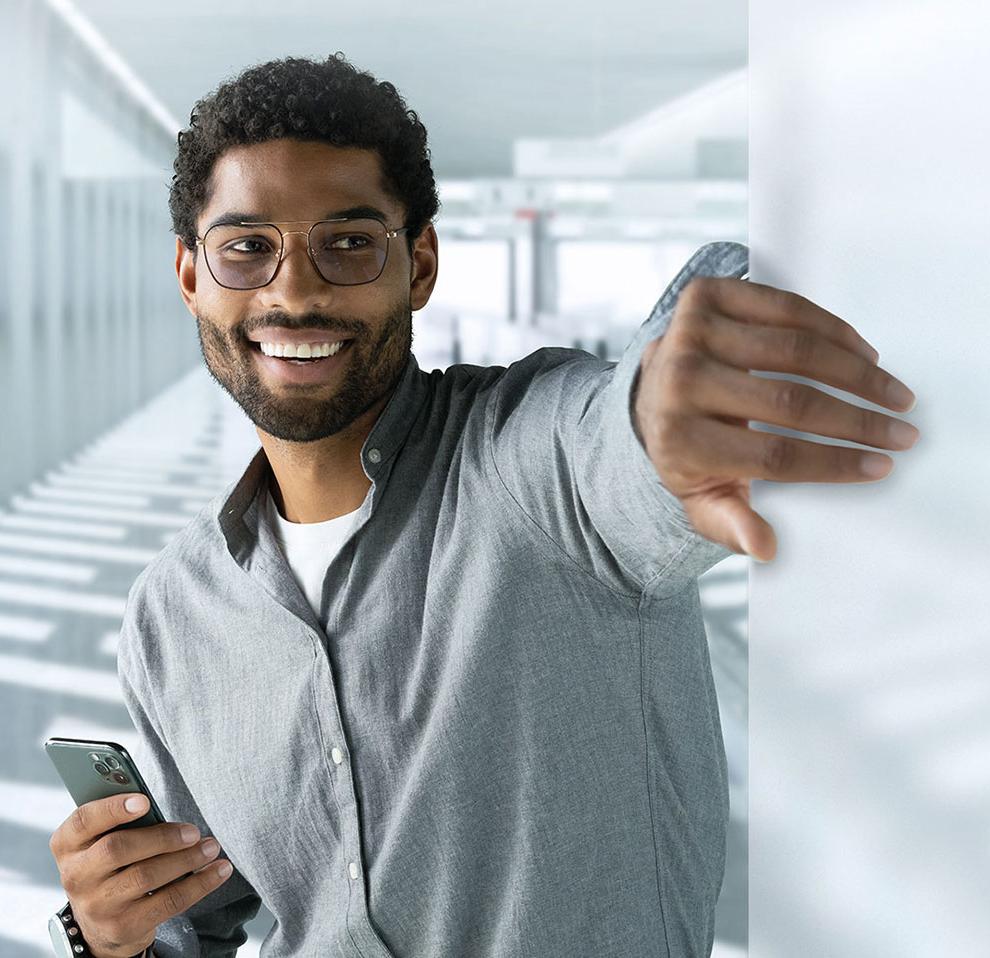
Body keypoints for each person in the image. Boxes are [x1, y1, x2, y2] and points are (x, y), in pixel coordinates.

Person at [44, 53, 919, 958]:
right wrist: (111, 934)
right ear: (192, 275)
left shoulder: (526, 462)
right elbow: (191, 927)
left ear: (418, 265)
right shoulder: (170, 618)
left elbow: (607, 440)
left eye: (349, 243)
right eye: (246, 248)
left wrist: (662, 410)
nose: (294, 290)